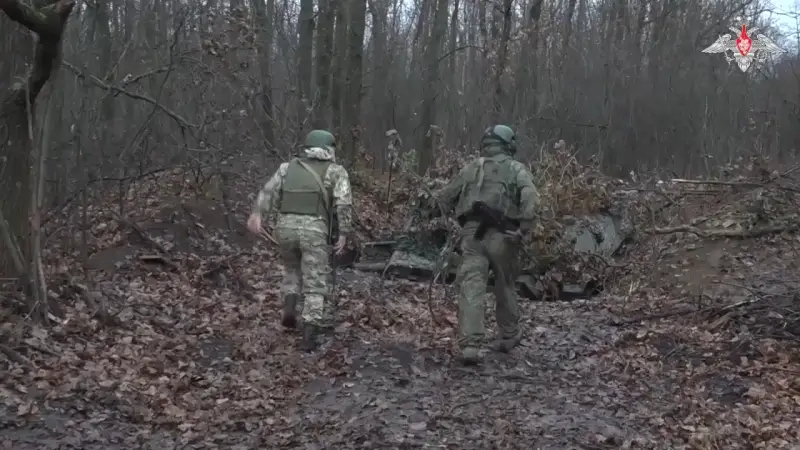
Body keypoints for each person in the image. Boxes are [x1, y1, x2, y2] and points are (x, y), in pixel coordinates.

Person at [430, 125, 539, 365]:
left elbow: (443, 198)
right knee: (506, 283)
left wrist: (445, 219)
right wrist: (524, 228)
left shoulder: (470, 168)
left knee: (471, 283)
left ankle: (470, 345)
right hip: (505, 234)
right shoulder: (515, 168)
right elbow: (531, 197)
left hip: (472, 235)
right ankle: (509, 334)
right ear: (509, 144)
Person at [247, 130, 352, 351]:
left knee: (291, 268)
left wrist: (257, 213)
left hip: (284, 228)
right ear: (329, 149)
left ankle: (290, 303)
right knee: (315, 280)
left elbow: (267, 191)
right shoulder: (336, 172)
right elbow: (343, 203)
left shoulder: (287, 168)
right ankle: (310, 332)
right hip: (314, 230)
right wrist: (343, 233)